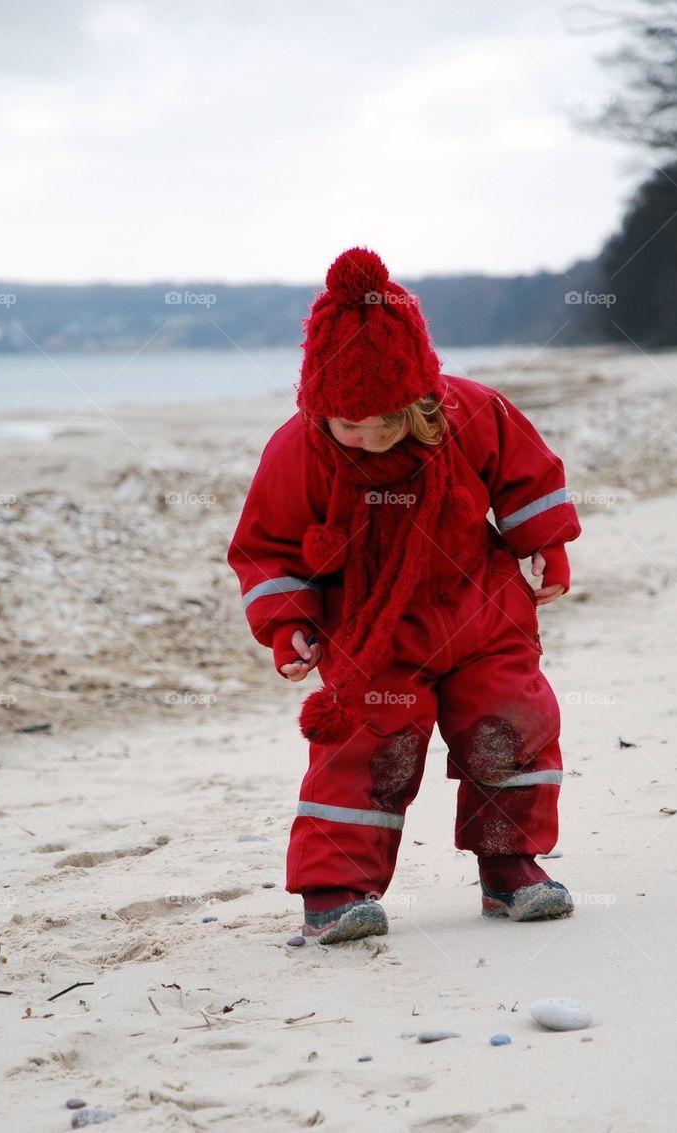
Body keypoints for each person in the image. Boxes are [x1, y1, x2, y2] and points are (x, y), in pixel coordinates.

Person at [227, 246, 582, 944]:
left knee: (509, 725)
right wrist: (286, 622)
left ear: (419, 396)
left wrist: (546, 545)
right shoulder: (299, 450)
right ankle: (335, 889)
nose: (364, 437)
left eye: (385, 421)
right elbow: (265, 546)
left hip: (481, 611)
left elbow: (527, 475)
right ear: (317, 404)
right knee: (369, 744)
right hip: (371, 633)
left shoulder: (471, 413)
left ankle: (511, 866)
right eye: (347, 423)